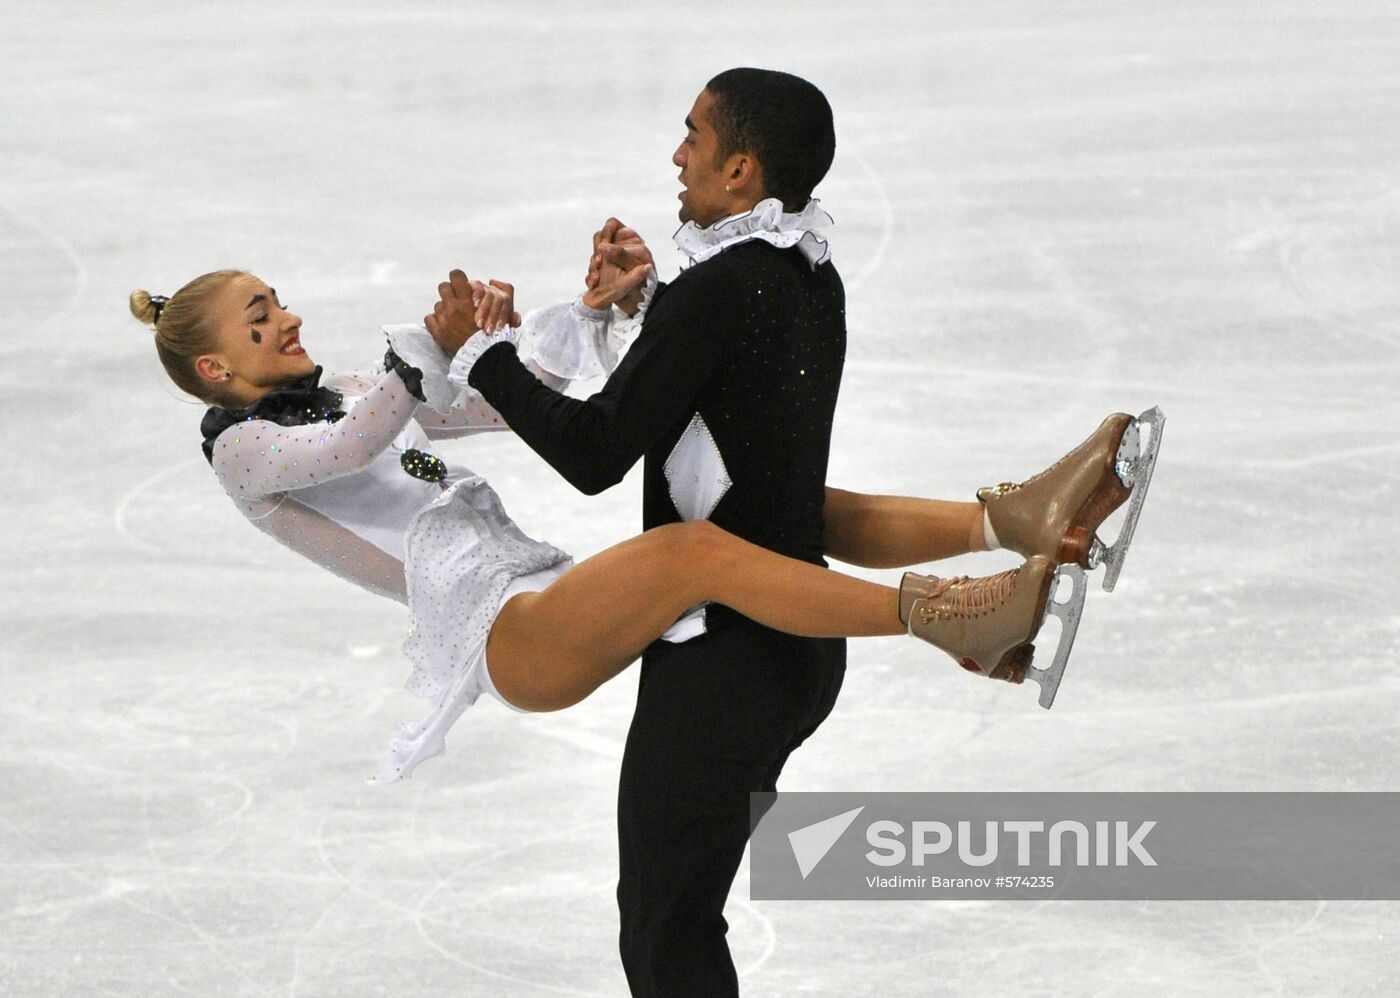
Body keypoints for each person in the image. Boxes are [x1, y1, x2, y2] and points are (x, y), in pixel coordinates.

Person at [430, 68, 1148, 995]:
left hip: (724, 660)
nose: (677, 155)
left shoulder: (719, 292)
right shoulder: (808, 277)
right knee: (676, 913)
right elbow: (733, 412)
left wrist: (483, 353)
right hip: (795, 654)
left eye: (693, 137)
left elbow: (597, 451)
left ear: (740, 169)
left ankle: (963, 602)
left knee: (666, 927)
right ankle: (1015, 525)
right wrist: (650, 308)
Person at [129, 264, 1137, 787]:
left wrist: (575, 319)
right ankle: (955, 620)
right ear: (215, 368)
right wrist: (422, 349)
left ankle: (1019, 518)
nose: (289, 318)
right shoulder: (243, 454)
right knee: (697, 552)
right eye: (261, 319)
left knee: (759, 505)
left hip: (539, 588)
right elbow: (353, 447)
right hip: (504, 634)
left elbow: (491, 408)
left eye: (278, 300)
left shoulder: (354, 388)